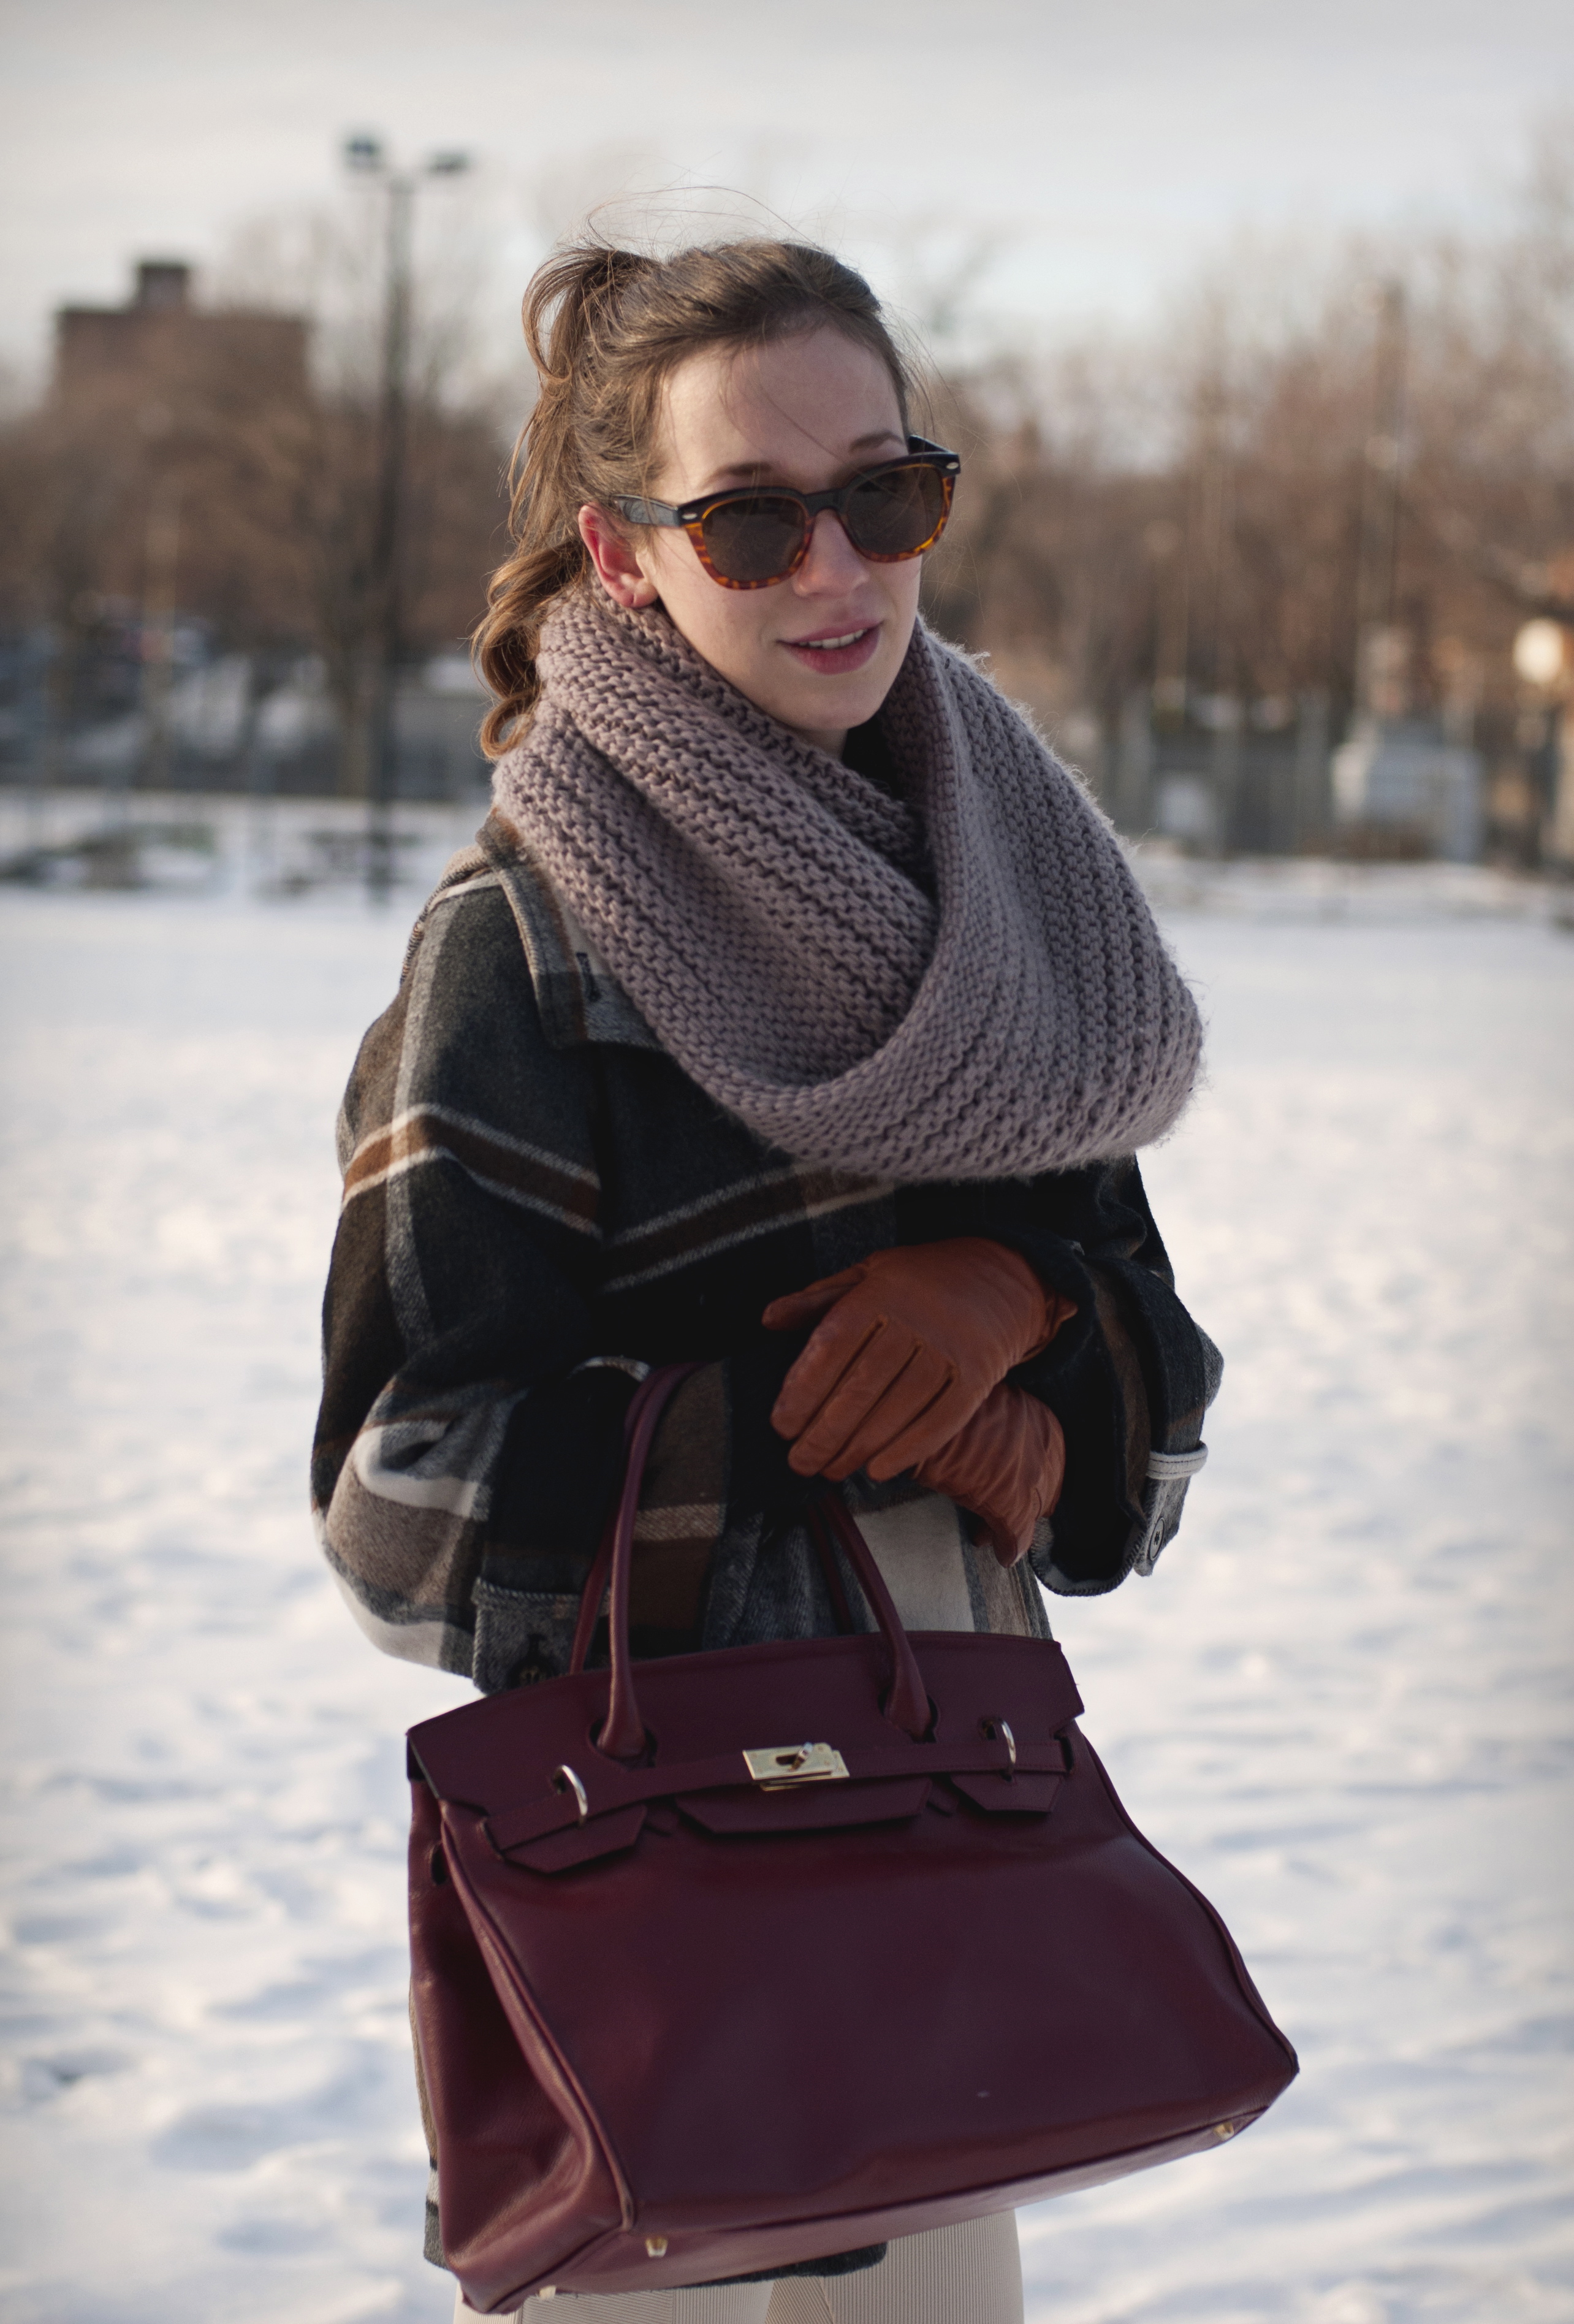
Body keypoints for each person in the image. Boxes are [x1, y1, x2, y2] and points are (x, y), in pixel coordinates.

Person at [313, 238, 1219, 2324]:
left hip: (951, 1876)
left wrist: (1023, 1314)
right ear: (627, 562)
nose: (838, 569)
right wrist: (788, 1437)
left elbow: (1150, 1429)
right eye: (751, 520)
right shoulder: (522, 948)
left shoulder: (1005, 911)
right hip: (666, 1925)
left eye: (884, 494)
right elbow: (397, 1497)